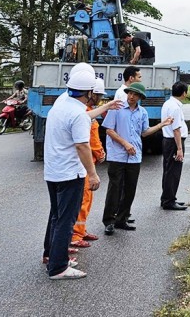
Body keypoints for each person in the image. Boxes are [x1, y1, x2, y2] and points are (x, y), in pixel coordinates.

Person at [43, 63, 100, 280]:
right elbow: (82, 146)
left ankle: (50, 255)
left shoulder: (61, 102)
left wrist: (106, 107)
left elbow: (84, 116)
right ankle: (59, 267)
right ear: (89, 92)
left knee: (56, 216)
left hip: (53, 171)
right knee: (66, 220)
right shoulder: (78, 115)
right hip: (70, 173)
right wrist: (92, 174)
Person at [101, 82, 172, 235]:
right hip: (117, 155)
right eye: (129, 93)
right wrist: (125, 144)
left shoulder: (142, 112)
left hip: (134, 157)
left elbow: (145, 132)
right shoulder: (117, 108)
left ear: (140, 97)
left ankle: (122, 218)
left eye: (135, 94)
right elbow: (109, 130)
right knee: (115, 188)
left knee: (130, 189)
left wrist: (162, 125)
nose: (131, 96)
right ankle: (109, 220)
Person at [71, 77, 107, 249]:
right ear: (92, 94)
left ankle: (81, 229)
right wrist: (100, 153)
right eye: (99, 95)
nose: (100, 98)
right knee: (84, 198)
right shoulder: (86, 114)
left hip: (85, 162)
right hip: (85, 164)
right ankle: (76, 235)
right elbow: (91, 140)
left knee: (87, 198)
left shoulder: (86, 111)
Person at [160, 82, 189, 211]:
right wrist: (179, 149)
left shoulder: (168, 103)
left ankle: (167, 197)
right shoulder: (175, 107)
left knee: (168, 170)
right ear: (184, 93)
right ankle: (169, 201)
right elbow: (176, 129)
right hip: (174, 142)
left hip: (168, 141)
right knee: (173, 172)